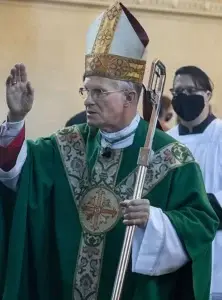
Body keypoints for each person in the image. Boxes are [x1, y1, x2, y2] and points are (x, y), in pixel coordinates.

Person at [0, 3, 218, 300]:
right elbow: (19, 178)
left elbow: (201, 225)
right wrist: (15, 118)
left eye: (98, 92)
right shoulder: (66, 146)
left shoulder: (172, 158)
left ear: (130, 96)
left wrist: (155, 221)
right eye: (86, 90)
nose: (88, 101)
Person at [167, 65, 222, 300]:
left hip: (217, 244)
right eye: (177, 92)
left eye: (190, 90)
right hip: (176, 246)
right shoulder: (166, 142)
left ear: (208, 94)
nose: (183, 97)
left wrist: (195, 210)